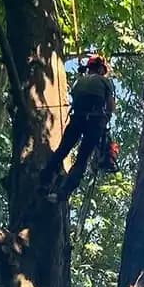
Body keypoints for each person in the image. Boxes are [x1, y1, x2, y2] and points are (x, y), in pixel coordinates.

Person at [40, 54, 116, 201]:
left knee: (62, 150)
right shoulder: (105, 81)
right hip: (94, 122)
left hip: (77, 120)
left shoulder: (78, 82)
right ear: (101, 69)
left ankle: (44, 180)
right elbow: (110, 106)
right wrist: (106, 117)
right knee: (82, 159)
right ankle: (62, 193)